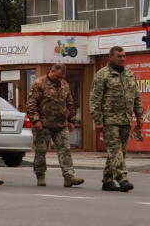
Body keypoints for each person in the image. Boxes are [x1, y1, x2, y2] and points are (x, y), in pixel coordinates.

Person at [90, 46, 144, 192]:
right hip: (109, 121)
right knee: (115, 151)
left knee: (120, 152)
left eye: (124, 56)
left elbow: (136, 96)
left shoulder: (129, 74)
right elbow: (95, 99)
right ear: (111, 57)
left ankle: (107, 180)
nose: (122, 59)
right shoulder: (102, 75)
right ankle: (122, 179)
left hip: (126, 120)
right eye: (119, 56)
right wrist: (98, 120)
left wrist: (139, 115)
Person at [26, 64, 84, 188]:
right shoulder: (38, 83)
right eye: (58, 76)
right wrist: (35, 120)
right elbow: (31, 104)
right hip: (44, 124)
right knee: (41, 151)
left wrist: (71, 120)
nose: (59, 79)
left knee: (65, 150)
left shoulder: (64, 85)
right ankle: (40, 175)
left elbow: (69, 103)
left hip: (61, 124)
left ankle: (69, 176)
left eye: (61, 77)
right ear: (51, 71)